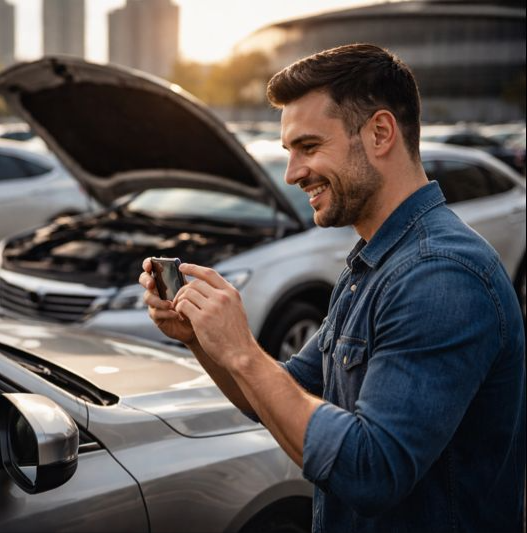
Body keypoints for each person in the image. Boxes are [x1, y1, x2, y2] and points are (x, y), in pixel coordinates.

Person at [140, 44, 525, 532]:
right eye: (289, 151)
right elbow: (288, 391)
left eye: (309, 146)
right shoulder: (374, 260)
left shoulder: (440, 274)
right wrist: (200, 337)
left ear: (380, 133)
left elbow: (370, 472)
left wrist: (242, 350)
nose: (292, 173)